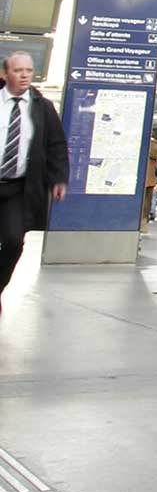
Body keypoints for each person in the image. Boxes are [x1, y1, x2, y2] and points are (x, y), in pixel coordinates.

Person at [0, 52, 68, 311]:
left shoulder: (42, 107)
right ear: (6, 74)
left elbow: (57, 145)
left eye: (29, 70)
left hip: (18, 187)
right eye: (18, 70)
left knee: (14, 241)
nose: (25, 75)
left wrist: (59, 177)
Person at [141, 130, 157, 232]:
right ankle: (143, 224)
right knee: (146, 203)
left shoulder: (150, 145)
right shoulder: (153, 146)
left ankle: (143, 224)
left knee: (146, 203)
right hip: (149, 178)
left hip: (148, 179)